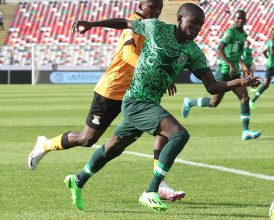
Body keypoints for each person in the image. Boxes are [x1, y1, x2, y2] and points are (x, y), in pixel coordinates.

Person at [67, 3, 260, 211]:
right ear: (179, 19)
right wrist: (92, 24)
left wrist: (240, 82)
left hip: (149, 104)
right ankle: (150, 191)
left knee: (112, 149)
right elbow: (125, 23)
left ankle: (77, 180)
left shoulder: (193, 52)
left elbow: (212, 86)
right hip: (135, 101)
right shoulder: (156, 28)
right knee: (179, 134)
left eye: (200, 25)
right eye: (193, 23)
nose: (197, 29)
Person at [27, 0, 185, 202]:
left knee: (163, 128)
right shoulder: (135, 23)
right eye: (152, 7)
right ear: (140, 5)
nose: (156, 12)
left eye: (159, 9)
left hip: (137, 92)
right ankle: (45, 145)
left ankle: (159, 183)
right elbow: (128, 54)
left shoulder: (153, 28)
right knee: (87, 139)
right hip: (112, 90)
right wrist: (154, 71)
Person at [181, 10, 261, 141]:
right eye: (238, 18)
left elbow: (237, 54)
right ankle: (189, 102)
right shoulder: (230, 32)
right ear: (235, 20)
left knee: (245, 97)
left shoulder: (244, 35)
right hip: (224, 71)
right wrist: (230, 64)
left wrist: (243, 64)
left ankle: (246, 131)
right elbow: (219, 50)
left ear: (245, 20)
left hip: (235, 73)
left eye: (242, 18)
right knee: (214, 102)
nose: (240, 20)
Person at [249, 28, 274, 109]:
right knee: (265, 85)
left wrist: (268, 58)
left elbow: (264, 51)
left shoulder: (272, 42)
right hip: (270, 67)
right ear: (271, 34)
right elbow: (273, 52)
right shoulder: (271, 42)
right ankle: (252, 101)